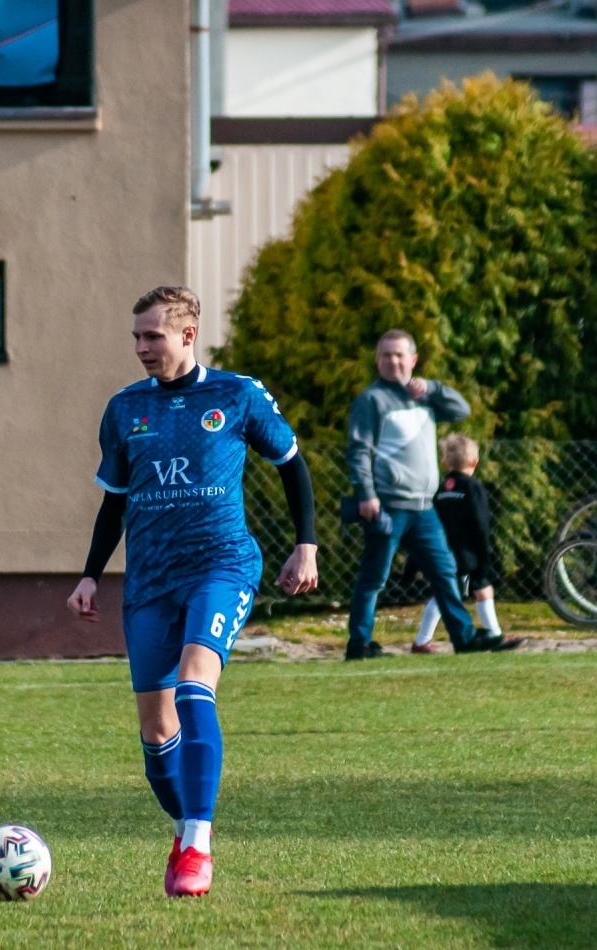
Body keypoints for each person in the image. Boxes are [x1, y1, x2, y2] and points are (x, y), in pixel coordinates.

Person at [68, 286, 318, 898]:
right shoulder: (125, 409)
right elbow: (114, 502)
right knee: (156, 733)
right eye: (135, 337)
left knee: (194, 684)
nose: (141, 348)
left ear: (187, 334)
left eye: (151, 336)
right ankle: (185, 828)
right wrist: (89, 574)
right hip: (150, 581)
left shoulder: (237, 394)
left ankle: (198, 848)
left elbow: (291, 462)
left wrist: (305, 544)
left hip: (220, 566)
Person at [344, 330, 518, 659]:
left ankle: (464, 638)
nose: (393, 361)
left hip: (425, 508)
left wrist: (434, 387)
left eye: (399, 355)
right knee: (374, 576)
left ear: (413, 360)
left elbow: (461, 409)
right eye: (386, 355)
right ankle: (359, 644)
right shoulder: (371, 400)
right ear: (377, 361)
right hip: (389, 506)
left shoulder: (424, 398)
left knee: (444, 572)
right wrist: (366, 494)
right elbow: (358, 451)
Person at [413, 434, 507, 653]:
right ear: (475, 461)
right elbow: (481, 523)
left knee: (473, 589)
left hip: (441, 549)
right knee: (448, 594)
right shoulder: (473, 488)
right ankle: (421, 641)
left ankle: (495, 635)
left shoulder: (440, 489)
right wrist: (485, 554)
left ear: (445, 463)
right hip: (466, 554)